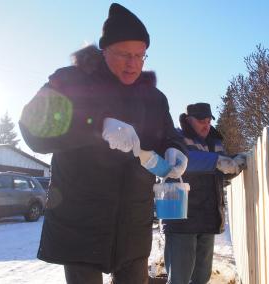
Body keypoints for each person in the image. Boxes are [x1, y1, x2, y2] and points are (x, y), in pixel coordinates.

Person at [19, 3, 187, 284]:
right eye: (123, 54)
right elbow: (32, 131)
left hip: (133, 224)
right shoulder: (69, 81)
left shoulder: (154, 98)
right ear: (103, 50)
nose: (133, 63)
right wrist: (97, 126)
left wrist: (175, 149)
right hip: (80, 222)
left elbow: (170, 134)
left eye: (140, 55)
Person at [163, 103, 247, 284]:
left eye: (209, 121)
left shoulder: (214, 143)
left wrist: (235, 164)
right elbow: (183, 161)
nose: (206, 125)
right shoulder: (176, 137)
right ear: (188, 120)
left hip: (207, 220)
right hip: (180, 221)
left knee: (202, 278)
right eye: (201, 121)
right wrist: (217, 161)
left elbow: (219, 175)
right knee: (179, 278)